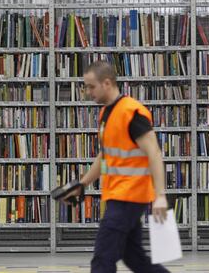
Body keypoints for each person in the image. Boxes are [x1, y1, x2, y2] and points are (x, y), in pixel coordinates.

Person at [62, 60, 171, 273]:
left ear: (107, 83)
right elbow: (106, 156)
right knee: (135, 259)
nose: (87, 92)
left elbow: (154, 153)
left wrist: (160, 195)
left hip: (128, 197)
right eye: (85, 87)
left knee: (103, 259)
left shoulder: (132, 113)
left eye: (91, 86)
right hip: (117, 195)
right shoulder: (105, 114)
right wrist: (82, 184)